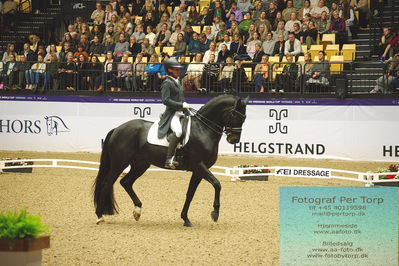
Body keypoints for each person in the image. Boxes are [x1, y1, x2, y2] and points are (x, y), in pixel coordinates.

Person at [158, 58, 190, 169]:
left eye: (178, 69)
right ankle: (169, 159)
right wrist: (181, 105)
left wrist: (185, 105)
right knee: (178, 131)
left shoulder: (176, 81)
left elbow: (180, 97)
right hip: (172, 114)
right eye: (176, 69)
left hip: (181, 113)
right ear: (170, 70)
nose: (178, 71)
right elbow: (165, 100)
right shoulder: (167, 83)